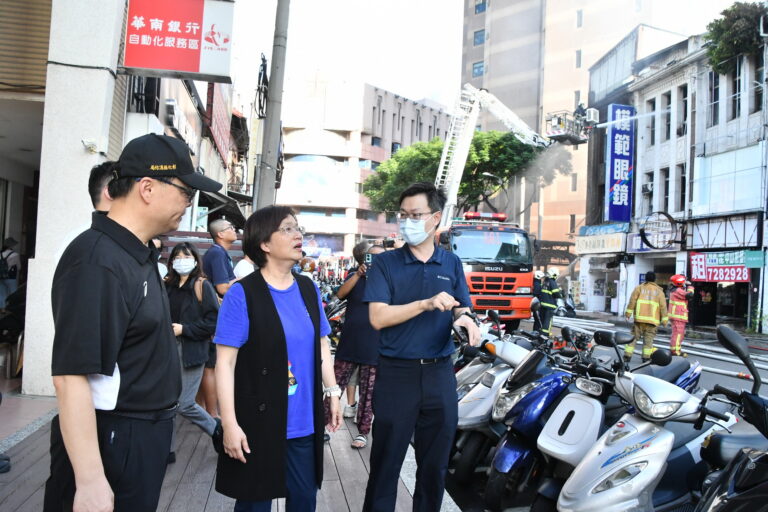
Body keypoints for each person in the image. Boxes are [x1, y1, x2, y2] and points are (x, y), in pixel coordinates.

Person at [44, 133, 222, 511]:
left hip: (143, 434)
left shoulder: (136, 253)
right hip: (114, 437)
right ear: (146, 187)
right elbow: (70, 375)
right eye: (184, 191)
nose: (189, 203)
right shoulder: (97, 260)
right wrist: (90, 479)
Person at [214, 205, 343, 510]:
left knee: (303, 500)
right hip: (258, 422)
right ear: (264, 243)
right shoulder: (242, 294)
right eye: (287, 229)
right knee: (254, 503)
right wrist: (230, 424)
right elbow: (225, 364)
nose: (297, 234)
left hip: (303, 421)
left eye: (298, 228)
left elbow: (321, 344)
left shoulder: (308, 289)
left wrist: (333, 391)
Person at [362, 182, 480, 512]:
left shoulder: (451, 263)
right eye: (403, 215)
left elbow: (460, 305)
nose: (407, 221)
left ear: (436, 218)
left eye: (415, 215)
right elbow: (378, 317)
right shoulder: (385, 264)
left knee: (434, 468)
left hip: (440, 374)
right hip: (396, 374)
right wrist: (425, 304)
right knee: (386, 465)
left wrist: (466, 319)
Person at [165, 242, 223, 463]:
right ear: (171, 262)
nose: (181, 260)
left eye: (186, 256)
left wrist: (185, 329)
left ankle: (215, 429)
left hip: (192, 350)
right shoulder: (167, 285)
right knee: (167, 401)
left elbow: (213, 322)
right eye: (177, 256)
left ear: (195, 260)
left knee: (184, 402)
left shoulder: (202, 285)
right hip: (166, 350)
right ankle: (167, 450)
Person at [329, 242, 385, 449]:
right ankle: (321, 427)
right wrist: (359, 274)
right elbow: (340, 294)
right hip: (350, 341)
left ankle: (362, 432)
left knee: (368, 394)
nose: (376, 261)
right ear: (365, 259)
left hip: (375, 344)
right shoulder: (355, 274)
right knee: (333, 387)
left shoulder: (390, 279)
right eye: (372, 257)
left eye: (382, 258)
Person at [624, 271, 669, 362]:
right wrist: (664, 321)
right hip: (652, 322)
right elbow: (663, 307)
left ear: (646, 279)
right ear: (654, 280)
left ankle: (627, 356)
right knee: (648, 341)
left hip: (639, 320)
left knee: (633, 339)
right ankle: (646, 358)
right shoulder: (659, 292)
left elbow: (632, 301)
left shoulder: (639, 288)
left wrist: (628, 314)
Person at [204, 218, 238, 297]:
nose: (234, 229)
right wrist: (242, 279)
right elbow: (223, 289)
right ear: (220, 234)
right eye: (230, 227)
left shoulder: (218, 251)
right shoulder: (217, 253)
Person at [668, 274, 694, 357]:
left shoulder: (676, 290)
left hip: (678, 316)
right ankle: (675, 351)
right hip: (678, 316)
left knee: (679, 334)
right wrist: (690, 286)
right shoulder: (677, 291)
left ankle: (676, 349)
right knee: (678, 334)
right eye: (683, 281)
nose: (684, 283)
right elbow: (689, 295)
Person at [539, 268, 562, 337]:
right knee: (548, 321)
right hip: (550, 305)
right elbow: (556, 293)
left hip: (543, 304)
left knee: (543, 320)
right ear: (554, 274)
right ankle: (545, 334)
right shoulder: (552, 282)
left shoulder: (545, 281)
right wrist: (561, 294)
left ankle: (542, 333)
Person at [0, 237, 21, 309]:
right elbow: (19, 266)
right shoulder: (15, 254)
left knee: (2, 294)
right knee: (13, 293)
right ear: (11, 245)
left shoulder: (0, 254)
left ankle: (3, 309)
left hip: (1, 277)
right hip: (11, 277)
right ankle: (12, 308)